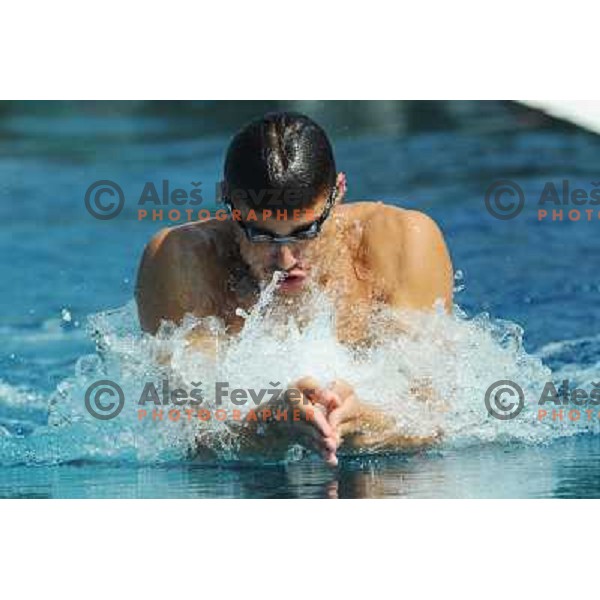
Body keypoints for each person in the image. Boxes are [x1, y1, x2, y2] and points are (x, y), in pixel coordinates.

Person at [135, 111, 454, 465]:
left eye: (305, 232)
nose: (285, 260)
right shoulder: (183, 259)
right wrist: (264, 427)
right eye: (259, 234)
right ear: (227, 200)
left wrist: (368, 424)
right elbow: (185, 438)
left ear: (338, 194)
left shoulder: (401, 243)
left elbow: (433, 419)